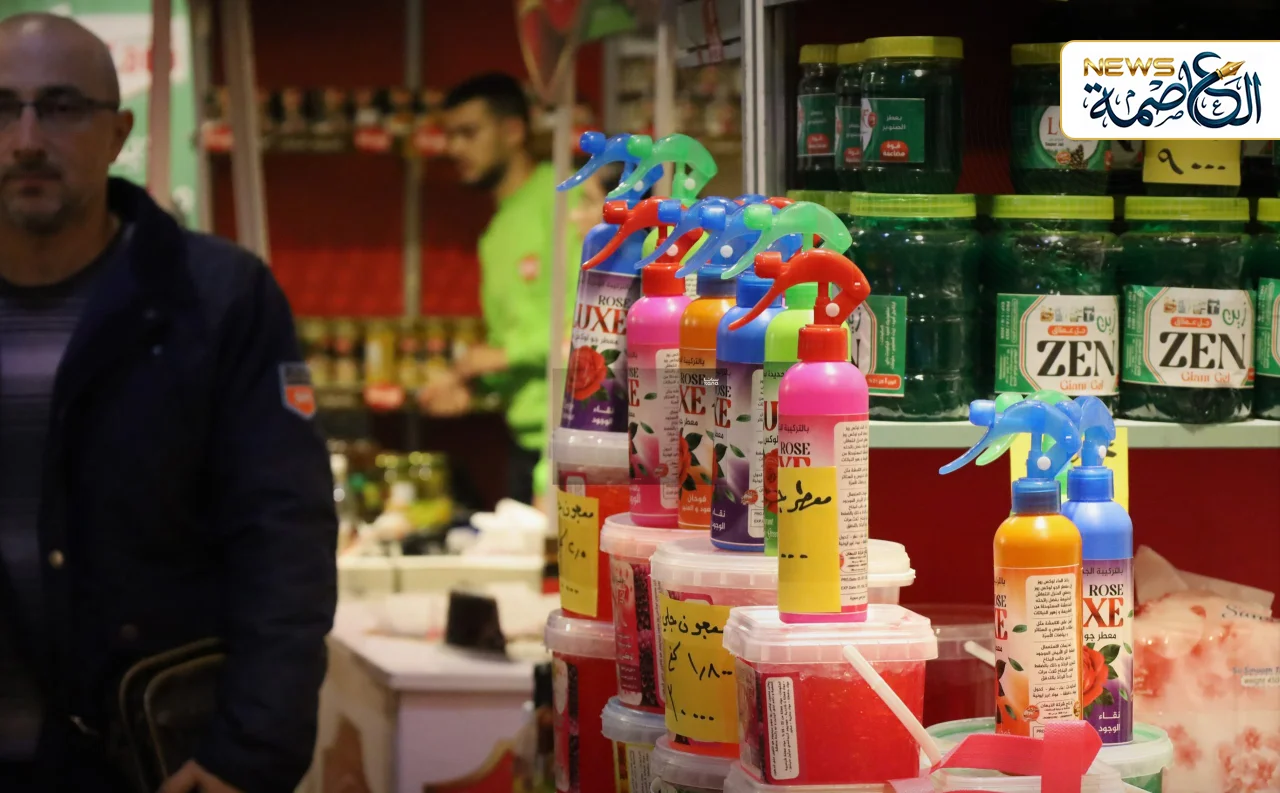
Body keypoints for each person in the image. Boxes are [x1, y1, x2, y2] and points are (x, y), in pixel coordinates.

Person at [0, 13, 337, 793]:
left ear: (117, 132)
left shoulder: (214, 298)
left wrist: (247, 752)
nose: (26, 139)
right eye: (2, 108)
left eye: (60, 107)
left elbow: (283, 540)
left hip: (143, 762)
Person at [420, 73, 581, 507]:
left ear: (513, 131)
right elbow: (519, 341)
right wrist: (471, 380)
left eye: (469, 132)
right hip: (525, 439)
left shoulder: (566, 199)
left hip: (573, 437)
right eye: (450, 135)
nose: (455, 148)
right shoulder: (496, 231)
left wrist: (492, 359)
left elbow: (594, 325)